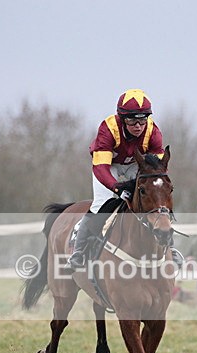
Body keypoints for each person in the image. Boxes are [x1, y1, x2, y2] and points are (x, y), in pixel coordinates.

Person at [67, 89, 165, 268]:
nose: (138, 126)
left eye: (143, 119)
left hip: (136, 164)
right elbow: (101, 167)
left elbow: (157, 171)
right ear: (121, 118)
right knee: (101, 203)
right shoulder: (108, 128)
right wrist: (116, 187)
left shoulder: (153, 132)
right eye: (132, 120)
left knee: (155, 199)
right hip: (109, 165)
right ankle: (79, 251)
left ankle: (170, 248)